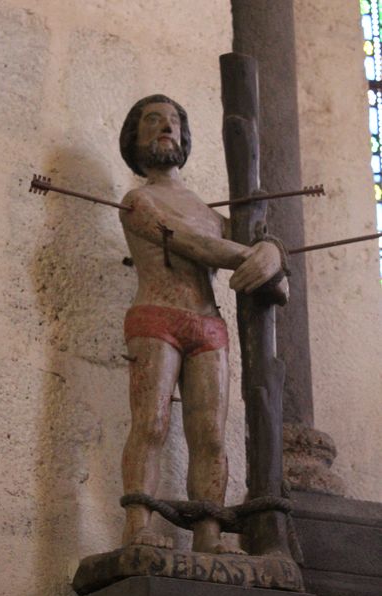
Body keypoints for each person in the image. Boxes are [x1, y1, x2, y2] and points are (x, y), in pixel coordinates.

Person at [118, 95, 288, 554]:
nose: (166, 127)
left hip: (208, 325)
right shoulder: (138, 201)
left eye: (174, 121)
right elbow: (194, 244)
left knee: (210, 434)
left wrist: (272, 252)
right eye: (153, 120)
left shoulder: (212, 214)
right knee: (151, 423)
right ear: (134, 138)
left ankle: (209, 532)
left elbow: (270, 272)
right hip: (156, 316)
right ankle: (137, 526)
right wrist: (260, 256)